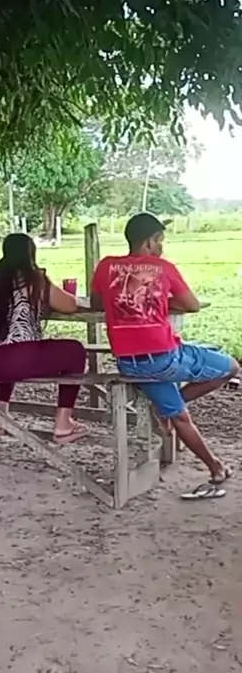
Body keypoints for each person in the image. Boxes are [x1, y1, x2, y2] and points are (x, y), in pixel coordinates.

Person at [90, 212, 239, 497]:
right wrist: (157, 300)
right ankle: (172, 407)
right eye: (160, 240)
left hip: (129, 364)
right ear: (149, 241)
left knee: (179, 415)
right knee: (230, 366)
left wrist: (134, 301)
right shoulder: (162, 268)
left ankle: (216, 467)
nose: (161, 246)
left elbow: (98, 302)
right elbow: (192, 305)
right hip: (164, 358)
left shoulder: (106, 266)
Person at [0, 233, 88, 443]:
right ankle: (63, 423)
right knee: (75, 350)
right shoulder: (34, 278)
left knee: (7, 343)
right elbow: (69, 305)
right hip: (14, 361)